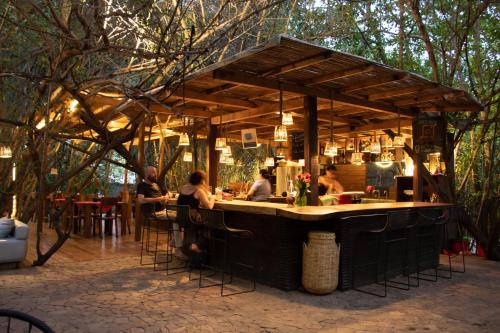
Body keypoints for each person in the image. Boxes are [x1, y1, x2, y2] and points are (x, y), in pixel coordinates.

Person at [136, 166, 187, 260]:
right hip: (152, 212)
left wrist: (167, 196)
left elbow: (169, 193)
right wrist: (159, 199)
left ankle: (174, 241)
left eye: (156, 173)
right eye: (153, 173)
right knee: (179, 218)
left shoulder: (157, 184)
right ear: (147, 174)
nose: (155, 175)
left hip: (163, 211)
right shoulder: (141, 186)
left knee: (183, 216)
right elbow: (141, 200)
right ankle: (179, 250)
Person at [177, 170, 215, 254]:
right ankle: (196, 245)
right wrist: (213, 198)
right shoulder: (198, 190)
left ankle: (178, 244)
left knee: (198, 223)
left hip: (180, 219)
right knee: (209, 225)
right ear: (202, 180)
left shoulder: (184, 187)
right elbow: (209, 206)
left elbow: (189, 201)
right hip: (191, 221)